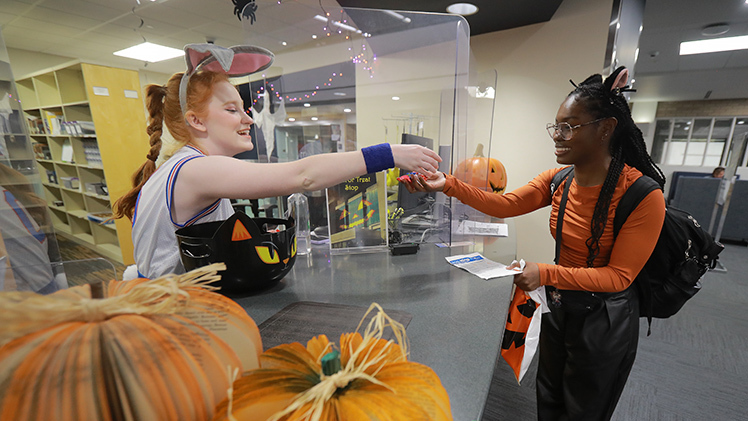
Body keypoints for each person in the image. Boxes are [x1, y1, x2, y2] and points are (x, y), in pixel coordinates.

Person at [401, 66, 666, 420]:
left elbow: (619, 277)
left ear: (605, 129)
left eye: (569, 127)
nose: (557, 135)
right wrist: (446, 183)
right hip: (558, 305)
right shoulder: (559, 179)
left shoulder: (642, 195)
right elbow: (505, 204)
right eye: (556, 126)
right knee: (549, 396)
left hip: (603, 321)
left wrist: (543, 272)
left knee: (584, 410)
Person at [113, 44, 441, 279]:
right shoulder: (196, 169)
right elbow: (304, 175)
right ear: (197, 122)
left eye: (243, 108)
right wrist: (390, 154)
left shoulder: (179, 166)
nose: (248, 120)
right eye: (232, 110)